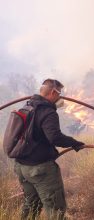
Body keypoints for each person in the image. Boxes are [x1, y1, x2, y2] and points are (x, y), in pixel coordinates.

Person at [13, 79, 85, 220]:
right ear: (53, 92)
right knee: (54, 206)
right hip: (40, 169)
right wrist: (74, 143)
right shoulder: (48, 112)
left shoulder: (28, 106)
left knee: (31, 204)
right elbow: (55, 137)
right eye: (60, 94)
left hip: (21, 167)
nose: (61, 97)